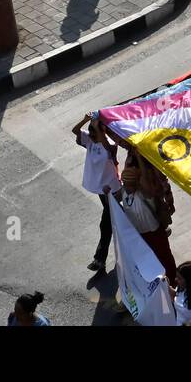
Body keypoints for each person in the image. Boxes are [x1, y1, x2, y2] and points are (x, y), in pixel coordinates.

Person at [71, 114, 120, 274]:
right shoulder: (90, 141)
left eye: (94, 129)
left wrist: (100, 130)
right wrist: (86, 120)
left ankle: (99, 259)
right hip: (101, 189)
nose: (91, 132)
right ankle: (155, 229)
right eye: (91, 129)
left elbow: (108, 150)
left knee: (106, 224)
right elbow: (75, 130)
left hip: (113, 190)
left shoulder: (110, 144)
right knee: (116, 220)